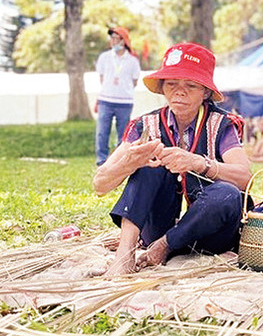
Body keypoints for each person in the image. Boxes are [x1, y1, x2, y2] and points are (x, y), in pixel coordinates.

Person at [93, 42, 251, 276]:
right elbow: (100, 184)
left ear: (205, 92)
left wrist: (199, 163)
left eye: (191, 85)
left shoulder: (221, 124)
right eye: (172, 84)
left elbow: (245, 179)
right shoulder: (145, 125)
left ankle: (166, 245)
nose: (180, 91)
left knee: (227, 193)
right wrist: (131, 162)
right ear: (162, 88)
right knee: (147, 164)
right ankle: (124, 254)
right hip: (156, 227)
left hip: (208, 235)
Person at [95, 27, 142, 166]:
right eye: (111, 38)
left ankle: (119, 160)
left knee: (123, 133)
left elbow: (134, 81)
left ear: (123, 40)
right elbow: (102, 78)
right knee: (102, 132)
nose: (112, 41)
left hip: (125, 102)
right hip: (106, 100)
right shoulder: (104, 57)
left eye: (116, 38)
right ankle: (101, 160)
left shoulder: (133, 60)